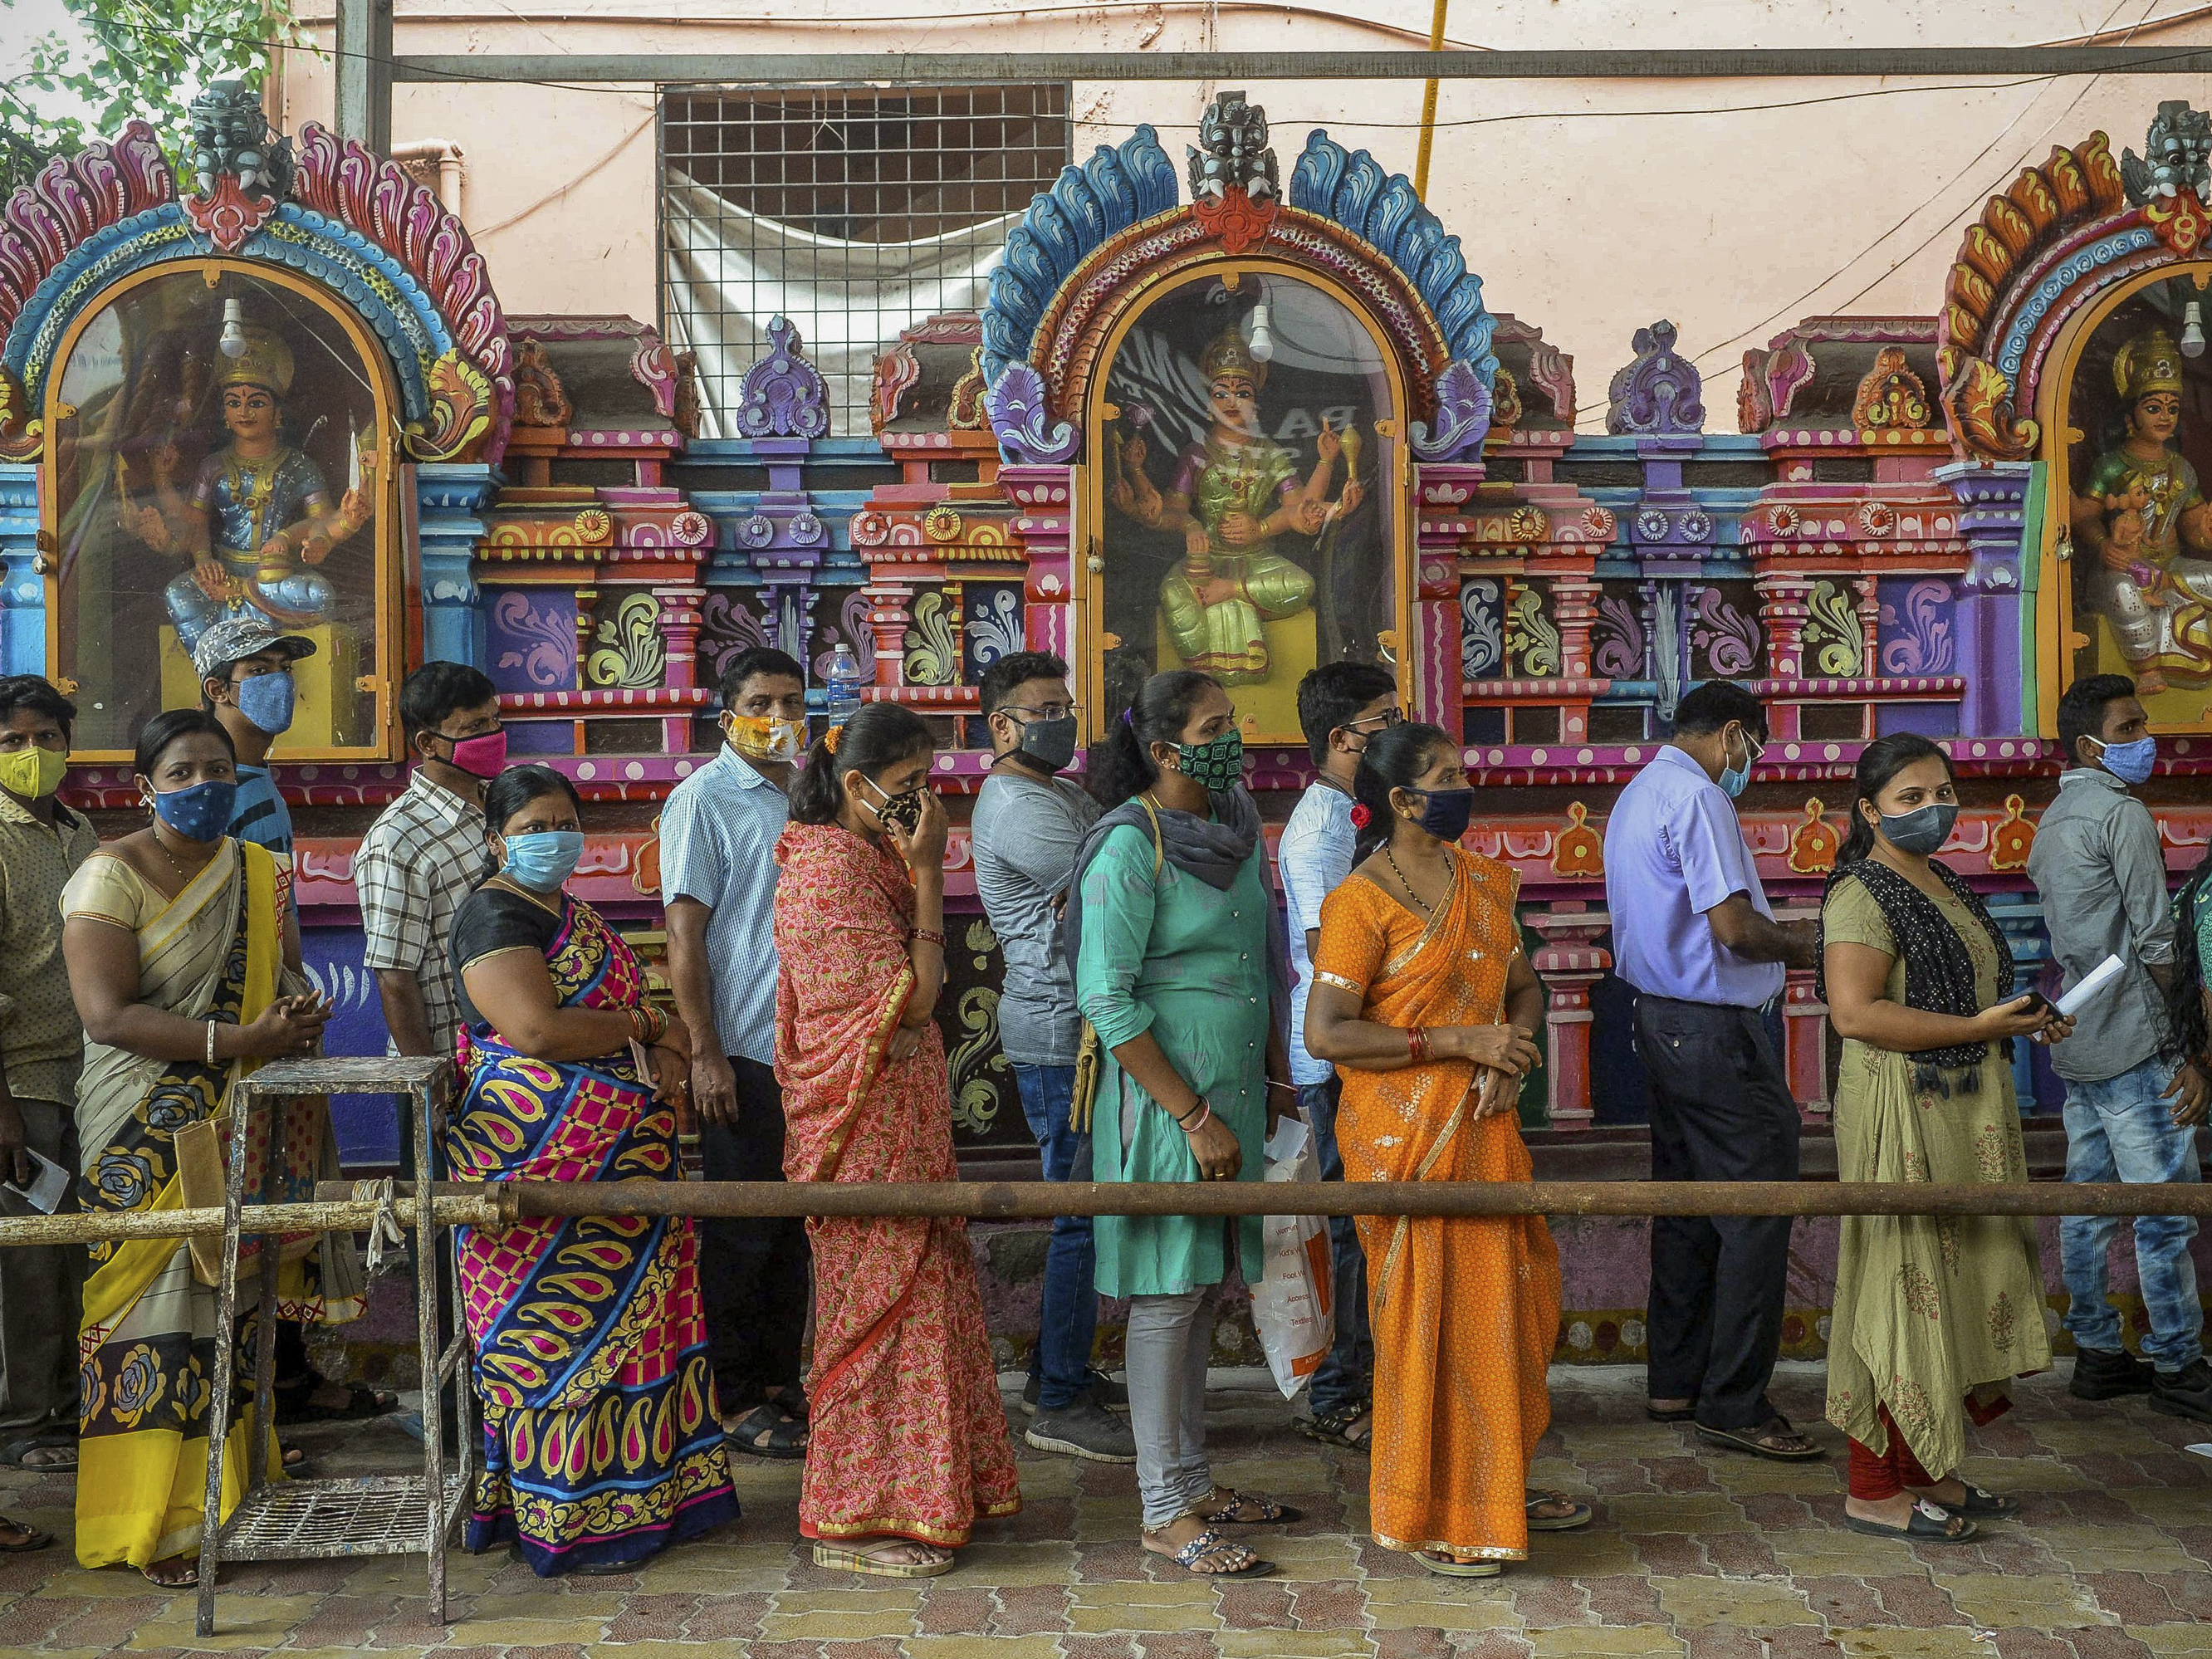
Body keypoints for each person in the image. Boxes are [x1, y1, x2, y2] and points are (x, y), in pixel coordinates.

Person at [62, 709, 360, 1584]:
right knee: (146, 1311)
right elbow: (106, 1015)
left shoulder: (260, 871)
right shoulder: (106, 876)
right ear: (144, 786)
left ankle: (230, 1498)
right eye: (183, 772)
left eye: (218, 771)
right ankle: (150, 1521)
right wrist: (238, 1041)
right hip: (141, 1121)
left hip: (243, 1113)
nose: (203, 787)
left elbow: (287, 975)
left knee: (232, 1305)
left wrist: (298, 1019)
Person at [1304, 720, 1581, 1576]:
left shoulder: (1490, 883)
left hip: (1487, 1128)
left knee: (1508, 1315)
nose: (1467, 783)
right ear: (1401, 800)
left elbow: (1525, 991)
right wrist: (1461, 1044)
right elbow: (1328, 1035)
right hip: (1404, 1141)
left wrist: (1514, 1051)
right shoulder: (1360, 902)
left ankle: (1495, 1484)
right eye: (1449, 775)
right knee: (1429, 1327)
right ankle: (1432, 1510)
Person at [447, 765, 737, 1575]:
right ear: (500, 835)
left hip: (629, 1170)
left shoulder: (571, 912)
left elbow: (621, 1020)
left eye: (564, 822)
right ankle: (569, 1516)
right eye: (535, 826)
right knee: (556, 1344)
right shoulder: (493, 913)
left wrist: (666, 1041)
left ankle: (649, 1497)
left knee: (642, 1335)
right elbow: (535, 1031)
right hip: (541, 1171)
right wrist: (650, 1026)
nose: (554, 838)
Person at [774, 703, 1021, 1578]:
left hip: (904, 1114)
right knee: (876, 1310)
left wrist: (912, 877)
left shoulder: (864, 855)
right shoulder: (825, 872)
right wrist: (928, 875)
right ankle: (856, 1521)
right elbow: (909, 1002)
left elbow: (915, 1004)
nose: (927, 803)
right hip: (858, 1128)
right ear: (855, 786)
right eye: (911, 787)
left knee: (929, 1285)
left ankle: (929, 1496)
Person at [1069, 668, 1297, 1581]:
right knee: (1166, 1295)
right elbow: (1107, 998)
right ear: (1163, 751)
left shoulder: (1235, 830)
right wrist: (1194, 1113)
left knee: (1205, 1288)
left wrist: (1270, 1075)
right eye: (1212, 727)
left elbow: (1260, 959)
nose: (1232, 737)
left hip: (1234, 1096)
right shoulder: (1131, 845)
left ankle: (1194, 1483)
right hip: (1171, 1111)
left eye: (1231, 720)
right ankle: (1164, 1512)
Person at [1821, 734, 2068, 1539]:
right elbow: (1856, 1015)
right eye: (1911, 799)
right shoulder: (1861, 892)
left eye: (1943, 793)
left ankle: (1929, 1470)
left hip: (1967, 1107)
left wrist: (2024, 1021)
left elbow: (1972, 990)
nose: (1936, 810)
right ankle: (1873, 1485)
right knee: (1900, 1279)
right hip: (1904, 1105)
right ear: (1869, 811)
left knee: (1955, 1281)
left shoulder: (1942, 878)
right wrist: (1973, 1025)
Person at [1601, 679, 1820, 1460]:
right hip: (1716, 1031)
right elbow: (1733, 928)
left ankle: (1677, 1381)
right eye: (1753, 749)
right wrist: (1807, 946)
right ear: (1733, 735)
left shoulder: (1636, 792)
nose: (1749, 765)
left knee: (1688, 1205)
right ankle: (1735, 1402)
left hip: (1660, 1023)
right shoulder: (1699, 797)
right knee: (1757, 1206)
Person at [2028, 674, 2212, 1422]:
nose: (2147, 740)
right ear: (2090, 745)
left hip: (2081, 1038)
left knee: (2087, 1203)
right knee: (2163, 1209)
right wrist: (2193, 1046)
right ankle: (2178, 1363)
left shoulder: (2052, 822)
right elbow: (2158, 938)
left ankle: (2099, 1353)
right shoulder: (2121, 815)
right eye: (2130, 728)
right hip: (2139, 1038)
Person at [969, 650, 1134, 1465]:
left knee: (1092, 1212)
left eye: (1065, 705)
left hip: (1089, 1027)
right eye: (1043, 709)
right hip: (1058, 1033)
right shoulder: (1013, 805)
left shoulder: (1062, 792)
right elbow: (1121, 877)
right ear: (1001, 725)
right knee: (1081, 1218)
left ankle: (1054, 1373)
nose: (1060, 721)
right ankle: (1061, 1399)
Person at [660, 647, 814, 1460]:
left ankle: (780, 1382)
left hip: (811, 1055)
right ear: (728, 717)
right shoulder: (705, 800)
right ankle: (730, 1398)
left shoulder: (812, 792)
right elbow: (685, 937)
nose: (780, 717)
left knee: (794, 1232)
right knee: (742, 1232)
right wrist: (705, 1054)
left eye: (792, 700)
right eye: (762, 702)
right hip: (743, 1050)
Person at [1280, 660, 1399, 1454]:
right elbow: (1336, 953)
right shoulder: (1323, 829)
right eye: (1383, 724)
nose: (1395, 733)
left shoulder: (1352, 817)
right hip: (1337, 1054)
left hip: (1359, 1046)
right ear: (1341, 739)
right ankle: (1336, 1390)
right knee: (1355, 1230)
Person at [0, 677, 97, 1508]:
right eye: (11, 742)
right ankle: (30, 1422)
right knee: (27, 1263)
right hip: (19, 1076)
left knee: (74, 1252)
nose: (32, 755)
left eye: (45, 737)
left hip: (84, 1071)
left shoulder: (78, 832)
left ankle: (68, 1408)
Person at [358, 661, 506, 1065]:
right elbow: (394, 976)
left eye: (495, 720)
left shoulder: (505, 805)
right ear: (427, 743)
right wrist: (427, 1085)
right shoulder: (396, 840)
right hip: (449, 1061)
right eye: (474, 728)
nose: (492, 736)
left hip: (518, 1060)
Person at [195, 614, 316, 861]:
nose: (280, 681)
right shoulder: (208, 791)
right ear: (218, 690)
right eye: (259, 670)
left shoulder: (254, 771)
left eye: (285, 668)